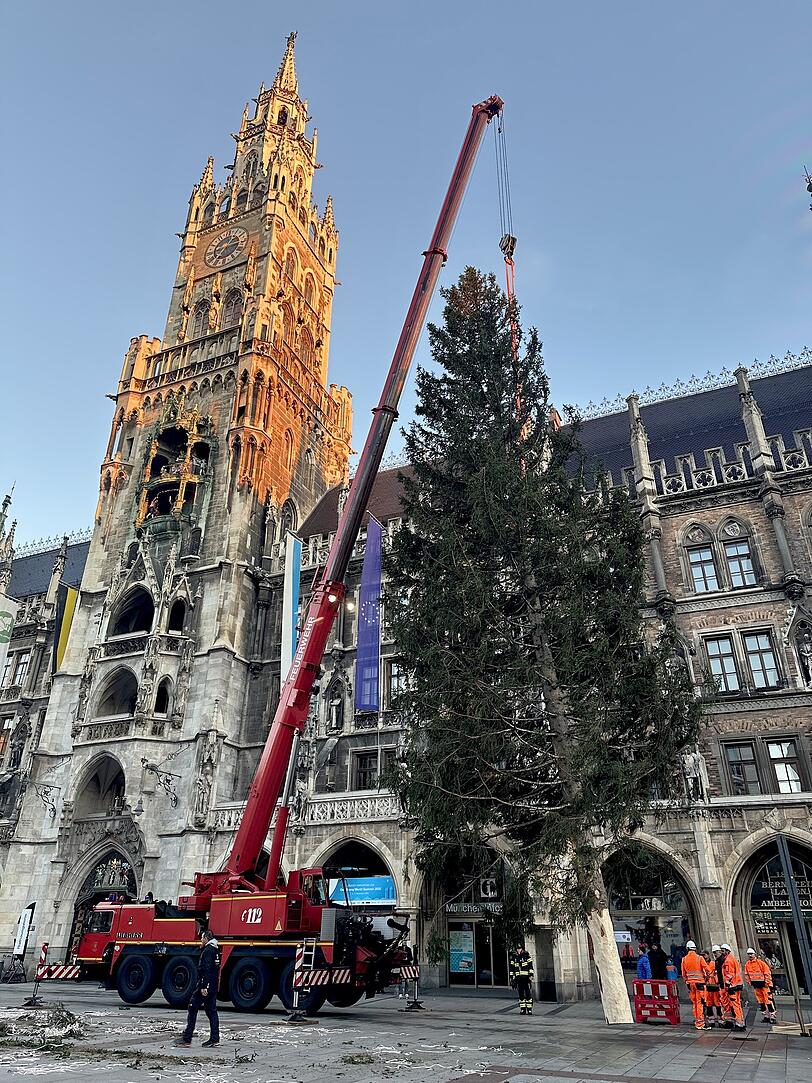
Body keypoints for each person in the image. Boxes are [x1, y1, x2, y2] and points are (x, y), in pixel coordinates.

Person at [175, 928, 220, 1048]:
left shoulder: (208, 951)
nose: (200, 939)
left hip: (205, 986)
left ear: (206, 938)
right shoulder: (215, 950)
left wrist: (204, 986)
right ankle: (214, 1038)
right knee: (211, 1011)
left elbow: (205, 969)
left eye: (202, 937)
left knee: (192, 1006)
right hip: (213, 985)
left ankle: (187, 1038)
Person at [744, 947, 777, 1024]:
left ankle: (772, 1016)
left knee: (768, 1001)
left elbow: (767, 973)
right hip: (756, 985)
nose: (750, 955)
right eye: (748, 954)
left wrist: (767, 983)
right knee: (761, 1001)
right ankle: (766, 1016)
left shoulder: (761, 963)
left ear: (755, 954)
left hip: (764, 985)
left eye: (751, 954)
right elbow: (747, 975)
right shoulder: (747, 964)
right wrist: (750, 982)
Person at [680, 940, 707, 1030]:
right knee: (700, 1003)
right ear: (695, 948)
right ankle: (700, 1022)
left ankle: (696, 1020)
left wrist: (687, 981)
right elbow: (707, 969)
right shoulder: (699, 958)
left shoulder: (684, 959)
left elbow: (683, 974)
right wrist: (706, 978)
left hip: (690, 984)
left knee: (694, 1002)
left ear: (687, 949)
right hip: (699, 983)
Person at [720, 943, 746, 1030]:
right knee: (737, 1004)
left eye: (723, 951)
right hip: (737, 985)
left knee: (735, 1005)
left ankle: (739, 1024)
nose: (722, 952)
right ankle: (741, 1022)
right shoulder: (733, 959)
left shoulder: (728, 960)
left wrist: (727, 984)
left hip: (732, 986)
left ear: (727, 951)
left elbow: (729, 974)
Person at [510, 946, 534, 1016]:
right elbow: (512, 968)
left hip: (526, 978)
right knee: (521, 994)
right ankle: (523, 1009)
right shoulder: (514, 958)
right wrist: (512, 977)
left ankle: (529, 1009)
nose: (518, 950)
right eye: (517, 949)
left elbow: (530, 966)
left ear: (522, 949)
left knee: (528, 993)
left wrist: (531, 975)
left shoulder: (527, 956)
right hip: (518, 978)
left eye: (519, 949)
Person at [701, 950, 722, 1028]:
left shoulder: (713, 963)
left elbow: (717, 973)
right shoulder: (702, 964)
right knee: (708, 1004)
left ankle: (720, 1020)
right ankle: (711, 1021)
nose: (704, 956)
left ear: (708, 955)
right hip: (707, 987)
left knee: (717, 1004)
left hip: (714, 986)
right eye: (702, 955)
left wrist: (717, 982)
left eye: (705, 955)